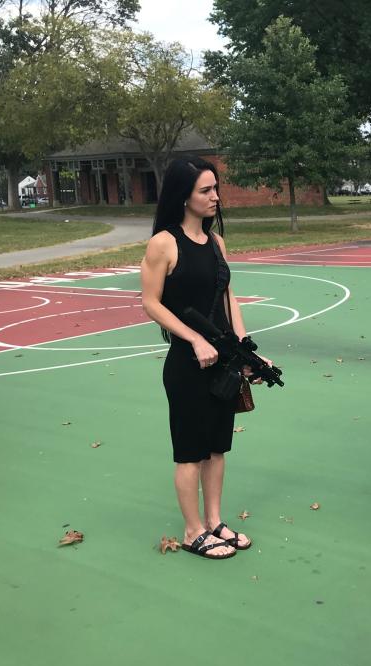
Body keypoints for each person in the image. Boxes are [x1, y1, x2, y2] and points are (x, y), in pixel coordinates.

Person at [140, 156, 270, 559]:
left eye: (216, 188)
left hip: (223, 361)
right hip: (186, 364)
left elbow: (228, 297)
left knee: (217, 447)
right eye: (205, 190)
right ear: (184, 196)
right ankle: (192, 529)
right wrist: (194, 338)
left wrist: (245, 348)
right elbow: (150, 302)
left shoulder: (216, 243)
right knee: (191, 451)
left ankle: (213, 522)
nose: (215, 197)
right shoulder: (164, 243)